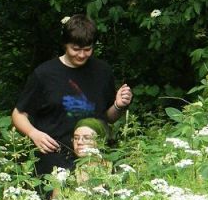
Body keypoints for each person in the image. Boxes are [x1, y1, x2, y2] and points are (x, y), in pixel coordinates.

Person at [11, 14, 133, 181]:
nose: (82, 55)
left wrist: (119, 105)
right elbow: (18, 114)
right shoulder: (44, 74)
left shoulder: (103, 71)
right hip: (54, 156)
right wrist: (34, 134)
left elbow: (106, 118)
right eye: (75, 49)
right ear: (65, 45)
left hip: (94, 158)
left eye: (87, 49)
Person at [72, 118, 112, 185]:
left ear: (100, 141)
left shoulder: (115, 169)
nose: (79, 142)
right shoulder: (67, 174)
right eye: (76, 138)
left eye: (87, 138)